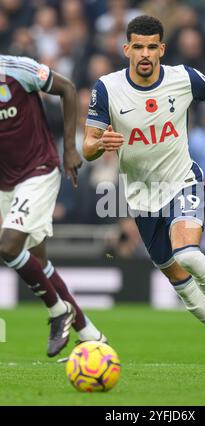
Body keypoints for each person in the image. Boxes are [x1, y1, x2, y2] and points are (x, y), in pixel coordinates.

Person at [83, 16, 205, 374]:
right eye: (138, 46)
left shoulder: (183, 78)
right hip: (141, 195)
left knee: (188, 253)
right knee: (177, 277)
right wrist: (101, 144)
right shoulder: (107, 87)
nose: (145, 54)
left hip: (182, 180)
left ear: (161, 49)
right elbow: (87, 147)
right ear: (126, 48)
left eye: (152, 47)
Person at [0, 55, 107, 357]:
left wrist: (69, 148)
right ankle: (90, 334)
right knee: (38, 260)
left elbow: (68, 88)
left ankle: (58, 311)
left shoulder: (16, 69)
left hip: (39, 170)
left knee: (8, 248)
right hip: (6, 183)